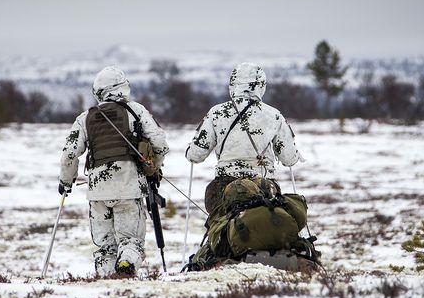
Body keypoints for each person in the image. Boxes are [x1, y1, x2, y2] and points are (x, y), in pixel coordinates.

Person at [59, 66, 169, 277]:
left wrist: (66, 181)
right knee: (131, 242)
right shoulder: (136, 111)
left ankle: (107, 282)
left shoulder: (85, 118)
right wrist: (153, 167)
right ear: (123, 88)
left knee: (105, 248)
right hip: (129, 189)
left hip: (97, 193)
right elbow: (160, 144)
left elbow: (69, 155)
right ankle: (126, 266)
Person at [186, 62, 303, 218]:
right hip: (263, 186)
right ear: (261, 85)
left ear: (233, 85)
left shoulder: (216, 113)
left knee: (220, 228)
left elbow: (196, 155)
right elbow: (289, 159)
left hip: (223, 188)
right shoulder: (273, 115)